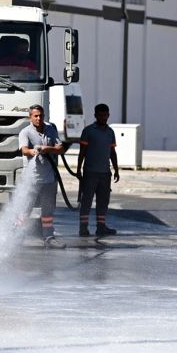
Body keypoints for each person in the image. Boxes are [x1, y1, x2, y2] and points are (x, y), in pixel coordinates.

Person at [19, 104, 67, 249]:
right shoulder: (25, 132)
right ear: (30, 117)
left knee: (48, 210)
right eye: (36, 116)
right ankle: (16, 236)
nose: (39, 118)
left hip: (49, 178)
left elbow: (60, 148)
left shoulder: (50, 130)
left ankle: (49, 237)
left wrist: (48, 148)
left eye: (41, 115)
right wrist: (33, 152)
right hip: (31, 178)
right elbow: (23, 149)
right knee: (25, 208)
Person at [77, 103, 119, 237]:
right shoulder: (88, 131)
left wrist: (116, 170)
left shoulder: (110, 132)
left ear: (108, 115)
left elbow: (112, 152)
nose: (103, 117)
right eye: (100, 115)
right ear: (95, 115)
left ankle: (101, 227)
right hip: (90, 173)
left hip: (105, 173)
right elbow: (82, 152)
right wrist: (78, 170)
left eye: (105, 115)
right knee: (87, 201)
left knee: (103, 201)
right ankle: (83, 228)